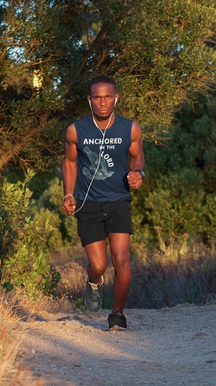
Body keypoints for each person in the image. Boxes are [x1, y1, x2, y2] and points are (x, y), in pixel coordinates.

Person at [62, 75, 145, 331]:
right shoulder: (76, 130)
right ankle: (94, 281)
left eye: (107, 96)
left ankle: (117, 315)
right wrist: (67, 194)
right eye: (97, 97)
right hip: (88, 203)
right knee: (98, 265)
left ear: (116, 98)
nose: (102, 102)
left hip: (118, 201)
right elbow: (70, 162)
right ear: (89, 100)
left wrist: (138, 173)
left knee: (121, 259)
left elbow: (138, 155)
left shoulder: (129, 128)